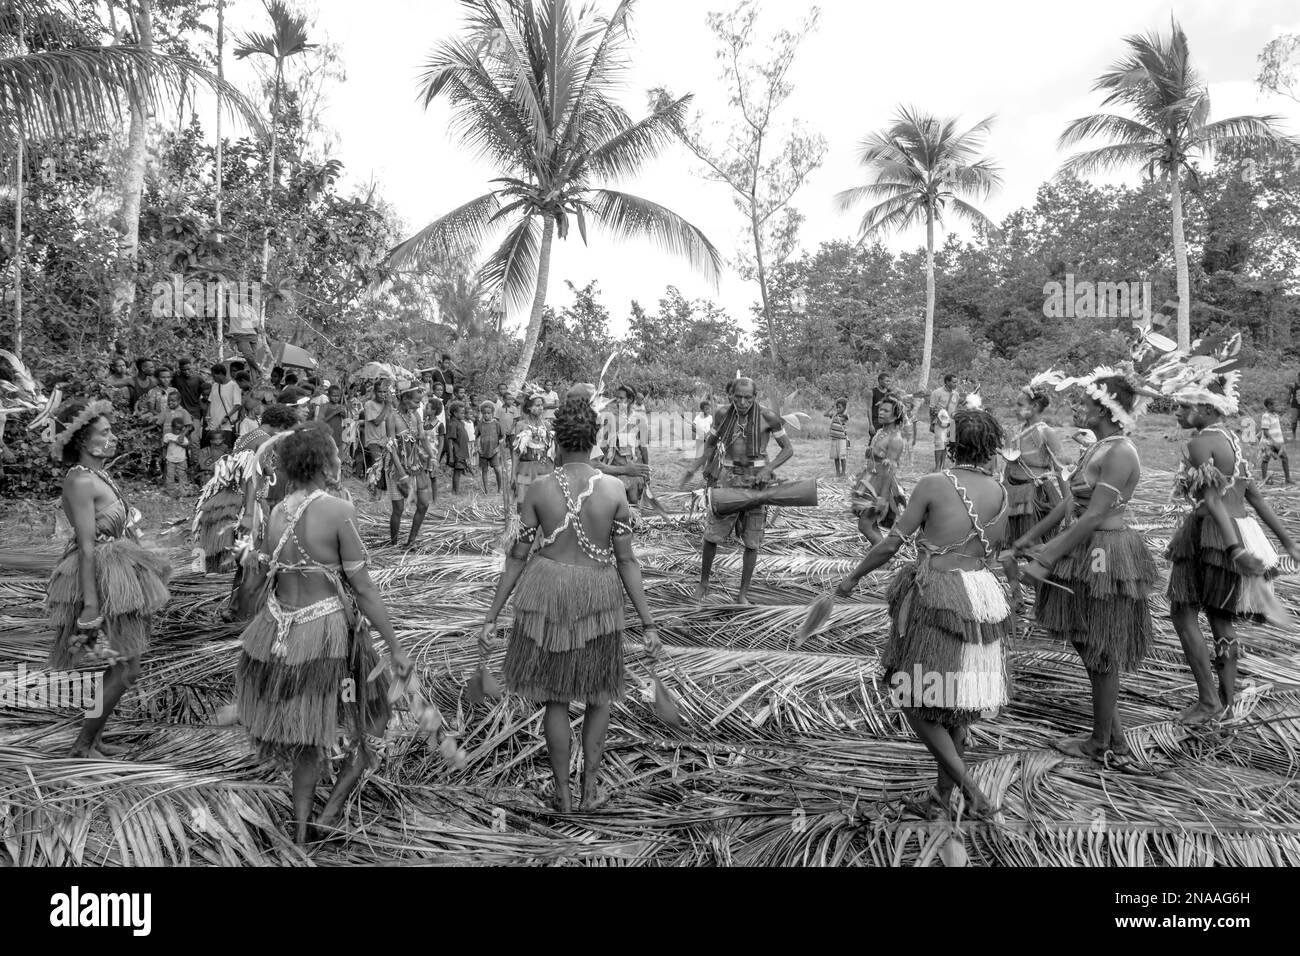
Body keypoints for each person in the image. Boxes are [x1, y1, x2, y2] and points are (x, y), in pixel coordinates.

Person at [479, 399, 662, 813]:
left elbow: (516, 557)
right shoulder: (613, 490)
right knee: (600, 695)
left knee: (555, 699)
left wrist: (491, 617)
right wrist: (648, 624)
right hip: (598, 595)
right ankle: (589, 790)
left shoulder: (541, 488)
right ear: (594, 441)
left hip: (547, 592)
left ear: (557, 442)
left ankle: (562, 795)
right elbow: (627, 561)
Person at [835, 409, 1016, 821]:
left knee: (911, 694)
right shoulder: (1000, 492)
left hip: (938, 596)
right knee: (957, 704)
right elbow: (996, 549)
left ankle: (972, 792)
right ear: (990, 446)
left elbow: (891, 544)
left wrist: (852, 577)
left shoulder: (936, 482)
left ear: (953, 442)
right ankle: (941, 797)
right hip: (982, 597)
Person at [234, 423, 411, 844]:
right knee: (376, 714)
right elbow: (363, 588)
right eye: (334, 453)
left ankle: (299, 834)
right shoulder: (337, 510)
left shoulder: (277, 511)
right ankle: (331, 809)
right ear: (321, 462)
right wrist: (395, 646)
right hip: (328, 633)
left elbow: (260, 580)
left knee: (307, 734)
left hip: (279, 631)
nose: (340, 459)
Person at [1012, 369, 1157, 770]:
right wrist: (1030, 538)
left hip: (1105, 551)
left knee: (1099, 643)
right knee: (1085, 637)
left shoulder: (1120, 452)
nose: (1078, 408)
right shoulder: (1099, 447)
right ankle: (1113, 736)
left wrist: (1045, 558)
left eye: (1086, 403)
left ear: (1105, 409)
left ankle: (1101, 743)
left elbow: (1093, 515)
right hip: (1086, 544)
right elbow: (1069, 503)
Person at [1157, 355, 1300, 725]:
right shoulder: (1233, 440)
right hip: (1240, 528)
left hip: (1211, 535)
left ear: (1206, 408)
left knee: (1182, 612)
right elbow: (1255, 497)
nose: (1177, 412)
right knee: (1221, 618)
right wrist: (1287, 542)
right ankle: (1225, 699)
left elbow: (1212, 501)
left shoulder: (1200, 443)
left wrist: (1234, 549)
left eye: (1184, 406)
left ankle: (1208, 701)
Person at [46, 399, 170, 758]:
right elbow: (87, 546)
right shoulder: (80, 480)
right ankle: (82, 746)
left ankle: (94, 739)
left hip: (118, 569)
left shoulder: (99, 475)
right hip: (101, 575)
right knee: (127, 668)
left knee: (123, 664)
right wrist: (90, 604)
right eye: (104, 432)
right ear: (84, 440)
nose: (111, 437)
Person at [685, 376, 794, 605]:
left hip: (757, 483)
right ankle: (703, 584)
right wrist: (703, 467)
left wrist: (769, 469)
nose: (742, 402)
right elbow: (710, 443)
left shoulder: (768, 417)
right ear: (731, 396)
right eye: (738, 397)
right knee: (712, 535)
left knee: (752, 540)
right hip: (728, 479)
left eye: (748, 398)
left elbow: (787, 449)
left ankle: (743, 593)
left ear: (755, 397)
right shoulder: (722, 414)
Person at [1003, 372, 1068, 547]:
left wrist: (1069, 505)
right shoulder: (1014, 431)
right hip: (1012, 493)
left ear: (1035, 406)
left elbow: (1061, 469)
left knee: (1033, 546)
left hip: (1035, 496)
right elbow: (1008, 466)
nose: (1015, 409)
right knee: (1011, 545)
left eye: (1020, 405)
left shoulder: (1046, 433)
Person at [849, 395, 909, 544]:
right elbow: (874, 455)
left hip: (881, 484)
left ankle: (883, 553)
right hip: (869, 480)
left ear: (896, 415)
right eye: (880, 409)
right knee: (870, 523)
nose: (881, 413)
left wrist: (882, 497)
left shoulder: (895, 439)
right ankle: (880, 551)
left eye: (886, 411)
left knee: (865, 524)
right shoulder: (879, 432)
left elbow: (891, 470)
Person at [385, 384, 436, 547]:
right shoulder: (392, 418)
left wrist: (432, 457)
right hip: (396, 467)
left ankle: (411, 542)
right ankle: (393, 545)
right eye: (416, 402)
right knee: (398, 509)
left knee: (423, 504)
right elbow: (392, 448)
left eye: (420, 402)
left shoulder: (415, 416)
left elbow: (423, 438)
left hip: (415, 464)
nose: (419, 406)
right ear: (404, 398)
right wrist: (402, 475)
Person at [601, 385, 649, 508]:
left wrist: (646, 472)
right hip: (616, 469)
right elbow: (604, 447)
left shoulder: (640, 420)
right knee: (615, 504)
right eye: (616, 397)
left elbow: (643, 448)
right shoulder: (610, 419)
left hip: (634, 469)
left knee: (633, 501)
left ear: (630, 400)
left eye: (621, 398)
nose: (617, 401)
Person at [509, 391, 555, 513]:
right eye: (537, 405)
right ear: (529, 407)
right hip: (526, 468)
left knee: (544, 502)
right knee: (523, 502)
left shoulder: (547, 425)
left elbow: (551, 449)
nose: (541, 408)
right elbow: (516, 452)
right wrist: (513, 474)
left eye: (542, 405)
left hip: (544, 467)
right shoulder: (520, 425)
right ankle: (523, 523)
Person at [205, 363, 242, 463]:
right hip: (213, 425)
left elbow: (237, 405)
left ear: (220, 374)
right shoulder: (215, 385)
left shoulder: (234, 385)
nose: (213, 378)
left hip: (226, 425)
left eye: (214, 376)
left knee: (226, 452)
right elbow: (210, 401)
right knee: (213, 452)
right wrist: (207, 415)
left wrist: (227, 417)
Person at [929, 373, 961, 471]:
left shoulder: (956, 394)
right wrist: (932, 423)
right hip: (940, 422)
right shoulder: (936, 393)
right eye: (954, 382)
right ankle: (937, 468)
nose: (956, 384)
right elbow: (931, 409)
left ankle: (943, 467)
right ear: (947, 382)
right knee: (939, 444)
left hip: (951, 423)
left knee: (946, 444)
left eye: (956, 382)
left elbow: (955, 408)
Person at [362, 379, 393, 472]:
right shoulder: (369, 404)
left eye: (385, 392)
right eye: (380, 392)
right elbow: (377, 422)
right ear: (375, 392)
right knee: (378, 466)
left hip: (385, 441)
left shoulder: (387, 404)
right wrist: (387, 406)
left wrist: (391, 403)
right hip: (373, 441)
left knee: (387, 468)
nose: (382, 394)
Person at [1259, 398, 1291, 485]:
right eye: (1275, 405)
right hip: (1268, 443)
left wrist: (1281, 440)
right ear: (1269, 406)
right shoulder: (1266, 416)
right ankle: (1264, 479)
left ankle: (1288, 479)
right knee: (1265, 460)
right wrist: (1273, 442)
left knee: (1285, 458)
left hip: (1277, 442)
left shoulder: (1275, 416)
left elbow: (1277, 429)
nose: (1277, 406)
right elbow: (1265, 431)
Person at [175, 358, 207, 442]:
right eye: (183, 370)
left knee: (194, 438)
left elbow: (206, 392)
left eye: (188, 369)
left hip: (195, 412)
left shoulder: (198, 379)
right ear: (180, 369)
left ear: (192, 366)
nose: (186, 372)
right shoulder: (176, 378)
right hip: (180, 413)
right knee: (180, 438)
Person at [478, 400, 504, 493]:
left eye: (488, 413)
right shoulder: (480, 424)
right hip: (483, 452)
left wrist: (498, 448)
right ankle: (486, 491)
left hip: (494, 451)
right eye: (484, 413)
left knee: (497, 469)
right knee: (484, 470)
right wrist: (478, 448)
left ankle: (499, 489)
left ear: (492, 413)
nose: (486, 415)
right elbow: (476, 436)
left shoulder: (496, 424)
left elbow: (502, 437)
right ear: (482, 413)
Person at [446, 400, 472, 494]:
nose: (464, 415)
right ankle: (455, 492)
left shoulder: (460, 422)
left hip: (461, 452)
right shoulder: (453, 424)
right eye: (462, 413)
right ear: (455, 413)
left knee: (459, 471)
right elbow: (450, 441)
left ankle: (455, 491)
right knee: (457, 472)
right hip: (457, 453)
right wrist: (451, 456)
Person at [162, 417, 192, 497]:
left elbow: (187, 447)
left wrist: (179, 442)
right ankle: (170, 491)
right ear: (172, 427)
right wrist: (164, 455)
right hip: (170, 460)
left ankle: (184, 491)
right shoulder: (168, 436)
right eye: (176, 429)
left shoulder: (183, 438)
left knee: (182, 475)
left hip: (181, 460)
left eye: (180, 430)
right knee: (170, 475)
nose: (178, 431)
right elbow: (164, 446)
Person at [315, 383, 347, 450]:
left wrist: (344, 415)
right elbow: (320, 421)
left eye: (338, 396)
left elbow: (345, 422)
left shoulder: (341, 407)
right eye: (334, 396)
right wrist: (334, 413)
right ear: (328, 396)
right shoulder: (324, 406)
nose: (336, 398)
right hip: (327, 437)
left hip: (339, 437)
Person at [826, 398, 850, 477]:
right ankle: (837, 472)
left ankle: (843, 473)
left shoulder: (845, 416)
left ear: (844, 408)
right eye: (837, 407)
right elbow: (825, 414)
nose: (838, 409)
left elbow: (846, 414)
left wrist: (846, 407)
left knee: (842, 457)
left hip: (842, 440)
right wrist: (831, 407)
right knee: (835, 457)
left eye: (840, 407)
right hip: (834, 439)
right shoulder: (834, 415)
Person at [1287, 371, 1300, 440]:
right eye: (1299, 376)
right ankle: (1294, 435)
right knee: (1294, 421)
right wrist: (1288, 401)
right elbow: (1289, 394)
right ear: (1298, 377)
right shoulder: (1293, 385)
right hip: (1295, 405)